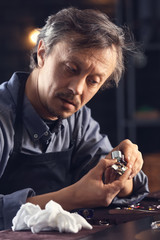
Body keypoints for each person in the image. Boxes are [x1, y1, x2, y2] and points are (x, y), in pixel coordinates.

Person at [0, 7, 149, 230]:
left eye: (93, 81)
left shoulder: (78, 120)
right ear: (42, 53)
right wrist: (75, 196)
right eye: (71, 68)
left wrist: (123, 166)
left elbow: (125, 187)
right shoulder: (4, 116)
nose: (77, 89)